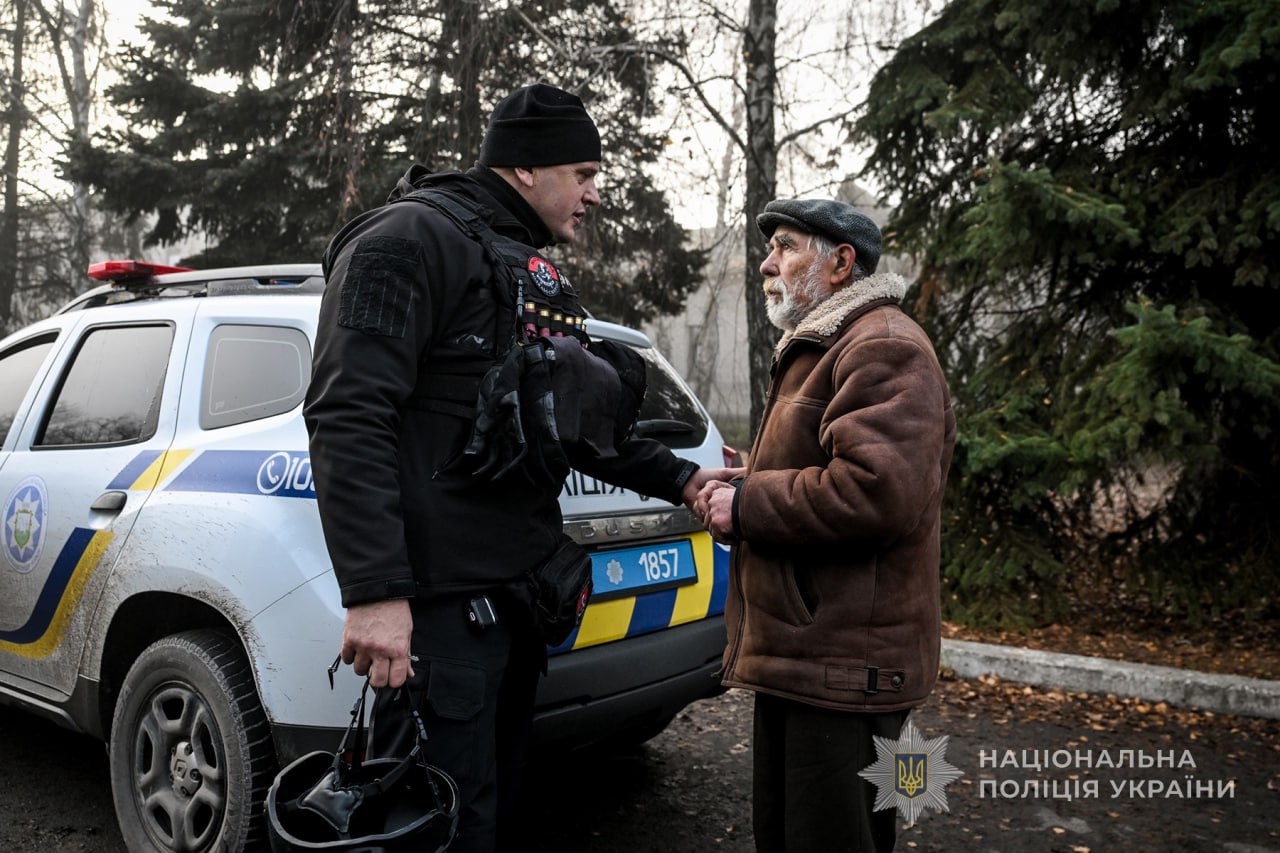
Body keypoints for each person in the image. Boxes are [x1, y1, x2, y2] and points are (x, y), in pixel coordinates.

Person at [303, 83, 738, 853]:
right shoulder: (404, 241)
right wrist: (375, 593)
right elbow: (347, 414)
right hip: (435, 620)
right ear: (527, 170)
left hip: (512, 607)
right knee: (429, 828)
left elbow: (568, 421)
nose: (595, 193)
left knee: (487, 819)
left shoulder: (524, 265)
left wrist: (682, 478)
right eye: (583, 172)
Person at [693, 198, 955, 853]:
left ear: (840, 263)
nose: (767, 262)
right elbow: (827, 463)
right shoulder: (829, 340)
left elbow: (877, 493)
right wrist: (750, 475)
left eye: (786, 246)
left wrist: (749, 504)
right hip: (808, 658)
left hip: (845, 670)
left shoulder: (885, 344)